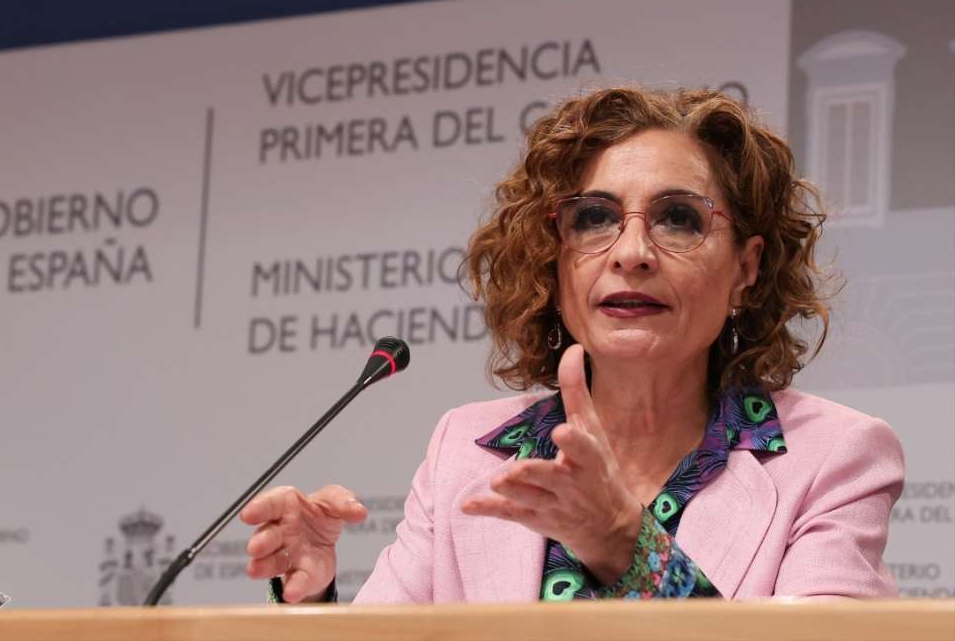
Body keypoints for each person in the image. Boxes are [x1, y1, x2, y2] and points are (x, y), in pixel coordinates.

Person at [240, 86, 904, 603]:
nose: (631, 252)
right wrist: (313, 601)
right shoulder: (466, 452)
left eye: (679, 219)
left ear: (746, 268)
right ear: (555, 265)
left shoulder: (833, 458)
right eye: (594, 218)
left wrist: (626, 545)